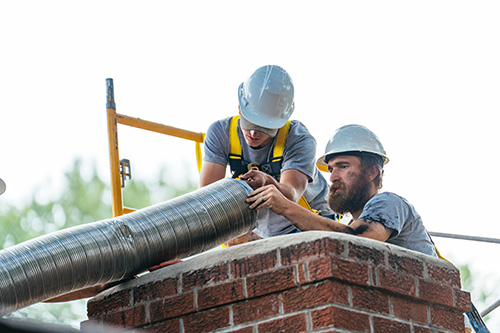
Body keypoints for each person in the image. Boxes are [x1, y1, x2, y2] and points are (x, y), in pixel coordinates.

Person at [247, 124, 438, 257]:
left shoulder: (389, 203)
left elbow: (357, 240)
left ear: (372, 172)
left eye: (343, 167)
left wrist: (286, 206)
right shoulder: (348, 224)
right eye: (331, 169)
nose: (333, 177)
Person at [200, 65, 333, 244]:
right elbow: (207, 199)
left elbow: (291, 195)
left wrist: (268, 181)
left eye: (264, 128)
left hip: (310, 223)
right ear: (240, 108)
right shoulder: (221, 133)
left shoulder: (298, 139)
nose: (254, 134)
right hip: (262, 231)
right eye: (249, 123)